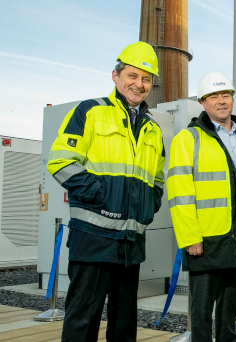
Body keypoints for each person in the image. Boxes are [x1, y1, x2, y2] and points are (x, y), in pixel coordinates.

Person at [47, 41, 165, 342]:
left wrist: (148, 204)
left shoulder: (153, 129)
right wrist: (101, 194)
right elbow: (60, 162)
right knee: (83, 318)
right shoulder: (91, 111)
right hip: (94, 236)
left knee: (124, 321)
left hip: (131, 240)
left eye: (146, 79)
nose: (139, 84)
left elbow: (158, 178)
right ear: (116, 76)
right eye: (132, 76)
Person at [167, 72, 236, 342]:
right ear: (203, 102)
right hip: (206, 237)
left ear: (232, 99)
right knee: (201, 310)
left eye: (226, 95)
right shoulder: (189, 139)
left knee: (230, 305)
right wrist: (190, 237)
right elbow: (179, 194)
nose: (221, 101)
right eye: (214, 96)